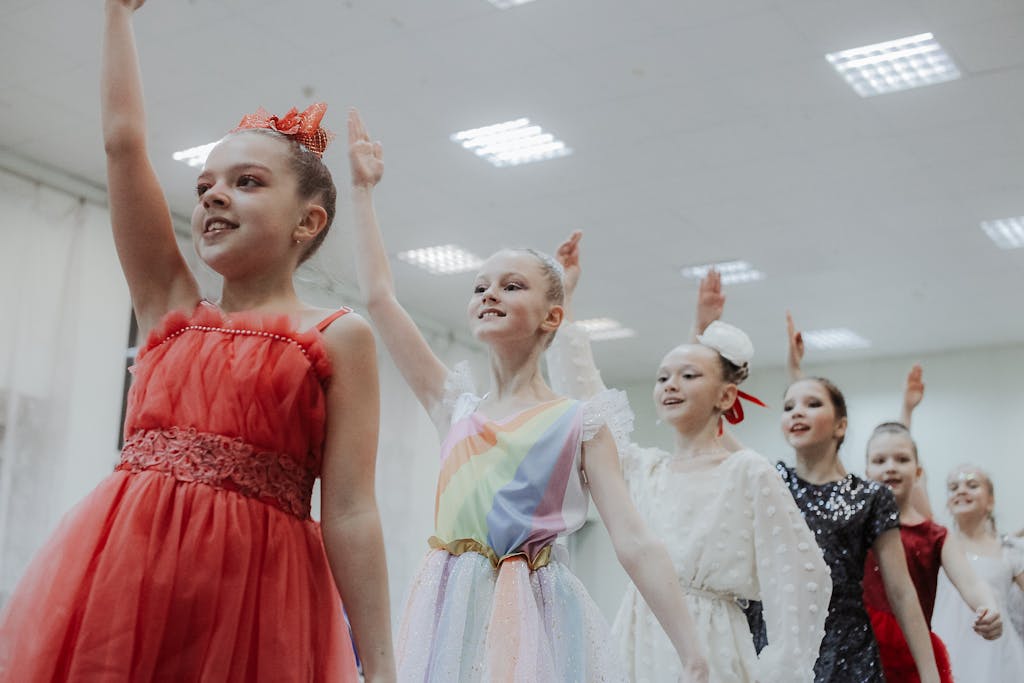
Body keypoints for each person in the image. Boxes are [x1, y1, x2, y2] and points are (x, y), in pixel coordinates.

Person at [0, 2, 394, 680]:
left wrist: (382, 666)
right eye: (205, 185)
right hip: (127, 588)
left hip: (255, 605)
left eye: (247, 182)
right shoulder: (170, 310)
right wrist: (116, 17)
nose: (213, 196)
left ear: (307, 221)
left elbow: (352, 510)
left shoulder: (338, 337)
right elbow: (123, 145)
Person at [347, 112, 708, 682]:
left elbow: (635, 540)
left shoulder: (581, 423)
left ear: (552, 317)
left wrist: (693, 653)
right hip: (449, 619)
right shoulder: (454, 406)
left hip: (536, 623)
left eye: (512, 286)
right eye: (480, 286)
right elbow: (380, 299)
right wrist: (363, 192)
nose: (490, 293)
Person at [545, 234, 830, 682]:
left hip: (713, 644)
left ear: (726, 396)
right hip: (639, 637)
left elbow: (802, 574)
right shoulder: (644, 469)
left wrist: (783, 669)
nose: (671, 385)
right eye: (662, 377)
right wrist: (564, 297)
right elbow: (589, 404)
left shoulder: (748, 471)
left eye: (689, 375)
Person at [738, 312, 941, 682]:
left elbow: (901, 591)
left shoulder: (870, 496)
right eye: (788, 407)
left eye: (812, 405)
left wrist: (930, 674)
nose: (797, 413)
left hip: (846, 649)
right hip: (776, 643)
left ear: (841, 425)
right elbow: (712, 431)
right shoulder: (770, 479)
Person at [863, 421, 1002, 683]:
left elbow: (971, 582)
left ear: (918, 472)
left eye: (902, 459)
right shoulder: (857, 529)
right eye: (880, 461)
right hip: (861, 649)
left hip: (914, 655)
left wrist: (988, 607)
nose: (890, 467)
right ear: (867, 471)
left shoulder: (934, 535)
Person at [931, 464, 1024, 680]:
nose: (961, 491)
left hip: (997, 651)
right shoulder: (936, 545)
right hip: (947, 640)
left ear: (990, 500)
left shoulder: (1009, 551)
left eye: (972, 485)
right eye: (954, 487)